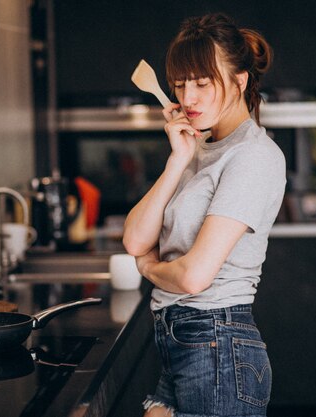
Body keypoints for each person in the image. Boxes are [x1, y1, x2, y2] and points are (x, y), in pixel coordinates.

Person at [122, 13, 286, 417]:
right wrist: (178, 161)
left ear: (239, 81)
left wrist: (148, 269)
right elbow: (134, 239)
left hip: (217, 343)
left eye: (201, 82)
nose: (187, 98)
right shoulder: (198, 146)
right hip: (184, 342)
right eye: (179, 84)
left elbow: (194, 276)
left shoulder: (253, 156)